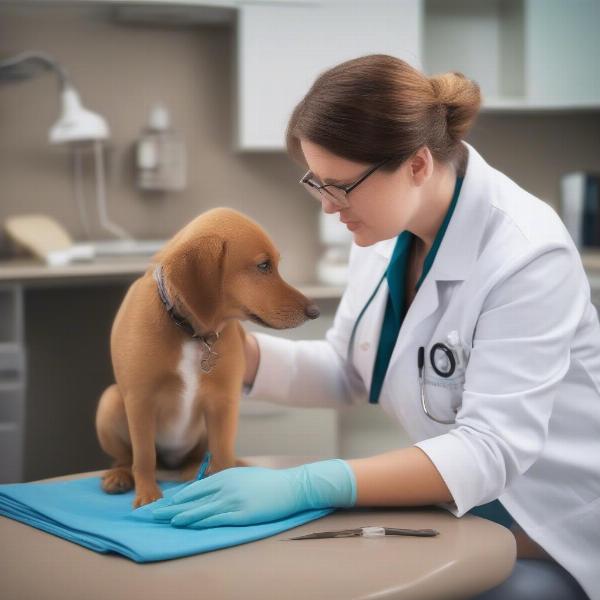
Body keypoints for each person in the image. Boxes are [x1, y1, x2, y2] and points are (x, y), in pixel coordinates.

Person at [151, 55, 598, 599]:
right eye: (318, 184)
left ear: (416, 164)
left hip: (558, 521)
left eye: (340, 186)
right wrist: (235, 352)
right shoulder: (384, 226)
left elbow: (489, 448)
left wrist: (308, 483)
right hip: (470, 501)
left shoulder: (526, 254)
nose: (328, 207)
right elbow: (352, 367)